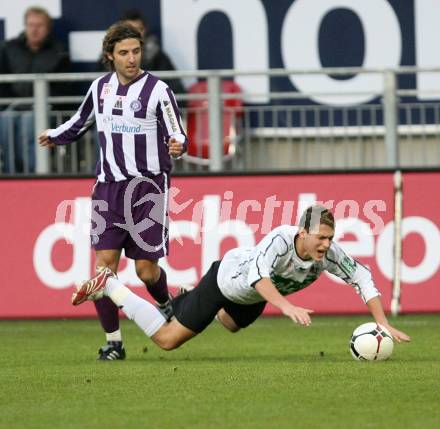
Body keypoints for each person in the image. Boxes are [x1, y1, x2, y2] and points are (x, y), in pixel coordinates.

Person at [38, 22, 188, 360]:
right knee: (103, 271)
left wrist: (178, 145)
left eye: (136, 51)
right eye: (124, 53)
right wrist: (55, 134)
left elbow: (177, 132)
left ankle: (165, 303)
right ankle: (114, 343)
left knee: (146, 271)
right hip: (107, 190)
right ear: (110, 55)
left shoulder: (158, 90)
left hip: (148, 189)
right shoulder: (99, 88)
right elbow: (80, 121)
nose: (132, 58)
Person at [71, 205, 411, 353]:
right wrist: (285, 305)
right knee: (168, 339)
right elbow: (258, 276)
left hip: (252, 298)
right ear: (302, 232)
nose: (325, 244)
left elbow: (362, 277)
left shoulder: (328, 254)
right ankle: (110, 285)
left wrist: (382, 324)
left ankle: (188, 299)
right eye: (319, 237)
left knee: (231, 326)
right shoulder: (280, 240)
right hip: (228, 280)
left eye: (329, 238)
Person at [0, 6, 71, 173]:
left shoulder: (59, 52)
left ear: (48, 28)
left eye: (40, 25)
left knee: (29, 122)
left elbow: (63, 87)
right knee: (5, 121)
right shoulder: (9, 48)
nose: (34, 30)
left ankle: (32, 174)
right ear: (25, 26)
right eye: (31, 25)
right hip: (13, 106)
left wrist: (45, 103)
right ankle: (12, 174)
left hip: (44, 109)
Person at [97, 10, 186, 102]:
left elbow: (178, 92)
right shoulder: (109, 56)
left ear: (145, 30)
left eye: (139, 29)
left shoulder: (156, 55)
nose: (132, 59)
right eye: (123, 53)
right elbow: (98, 93)